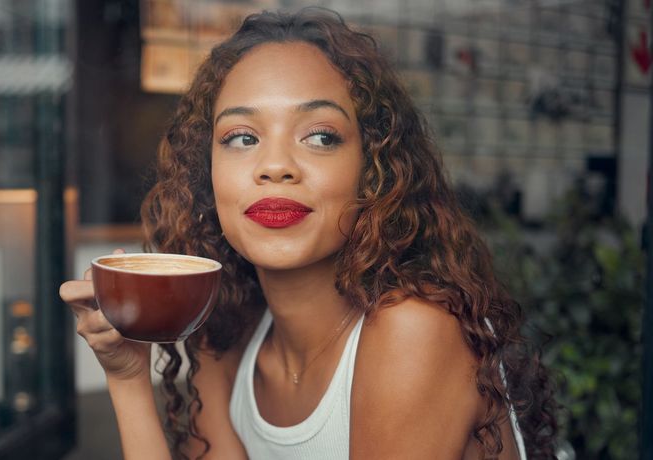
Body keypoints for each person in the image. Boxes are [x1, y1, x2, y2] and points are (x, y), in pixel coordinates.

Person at [60, 8, 557, 459]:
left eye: (320, 136)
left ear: (374, 169)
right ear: (206, 175)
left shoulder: (415, 330)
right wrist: (127, 377)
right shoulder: (227, 336)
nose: (275, 166)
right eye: (242, 138)